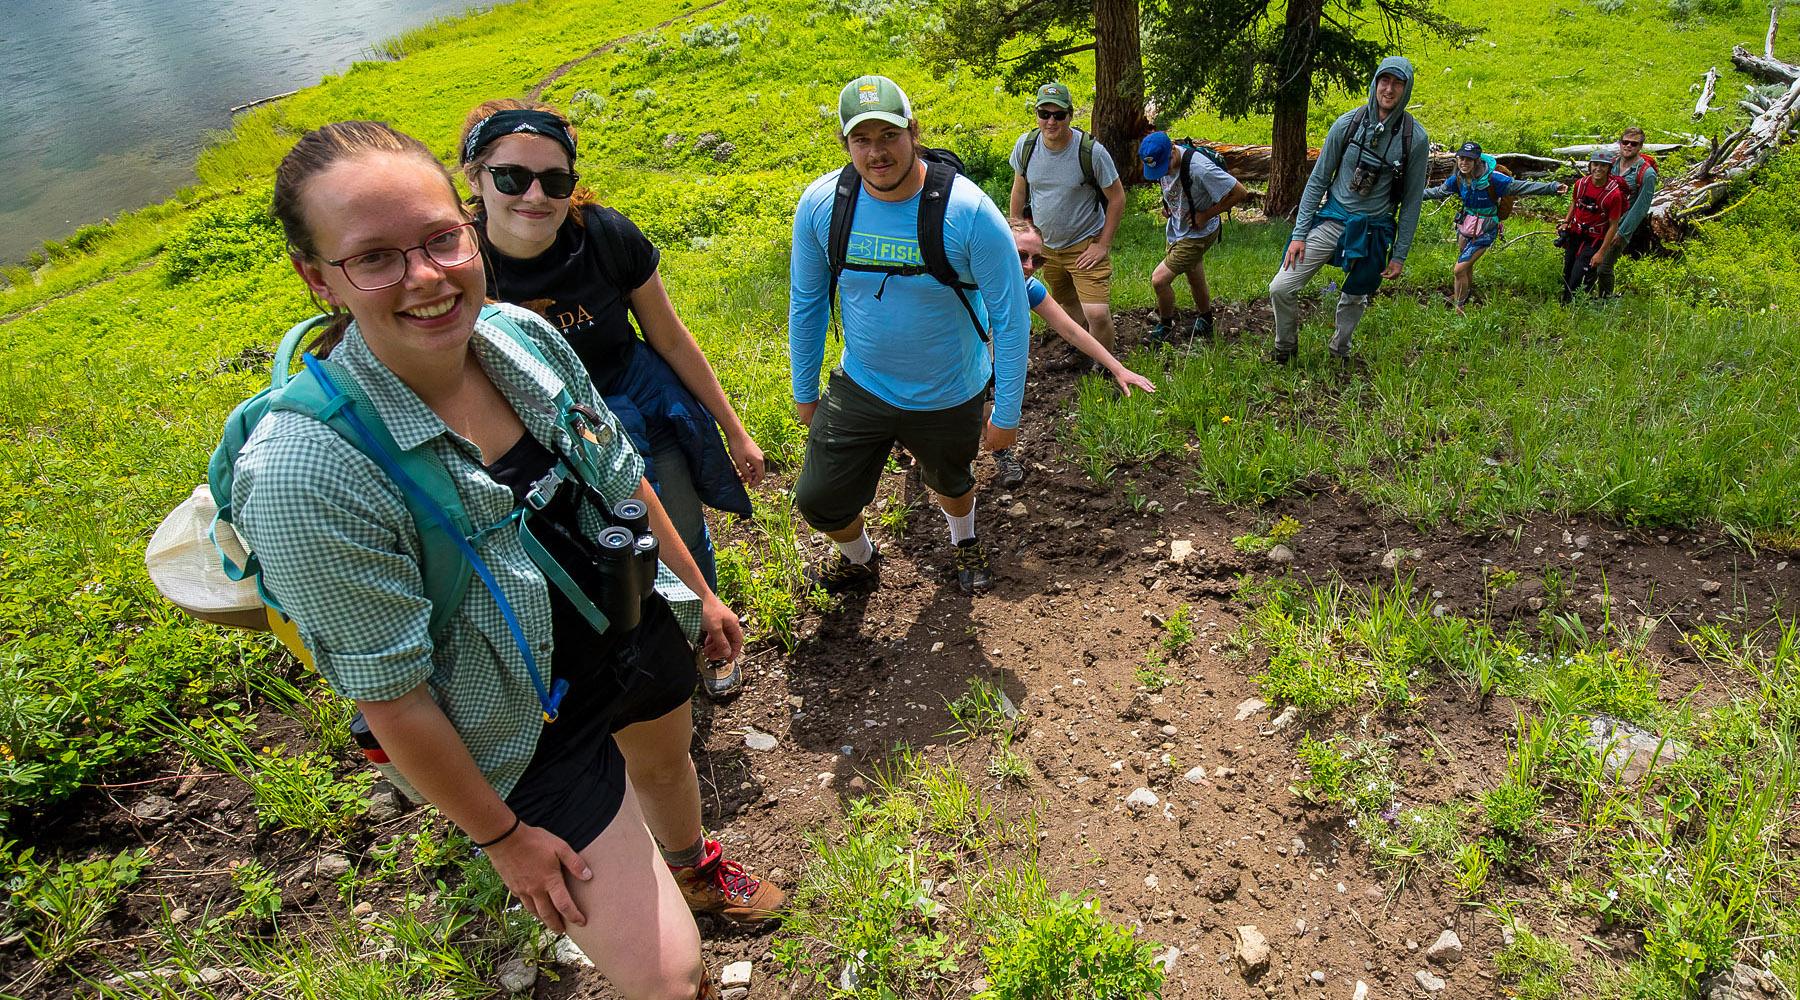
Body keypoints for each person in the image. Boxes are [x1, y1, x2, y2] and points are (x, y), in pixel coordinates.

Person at [238, 124, 782, 1000]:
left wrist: (695, 592)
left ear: (466, 226)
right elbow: (392, 696)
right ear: (317, 278)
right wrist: (502, 838)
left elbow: (621, 480)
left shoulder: (520, 338)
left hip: (630, 623)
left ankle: (689, 862)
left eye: (440, 240)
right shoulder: (311, 471)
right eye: (374, 258)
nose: (425, 278)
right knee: (672, 982)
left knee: (668, 762)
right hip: (519, 723)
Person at [458, 99, 763, 699]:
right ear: (475, 178)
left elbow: (669, 337)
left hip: (635, 399)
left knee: (678, 528)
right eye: (512, 177)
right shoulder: (463, 266)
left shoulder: (603, 235)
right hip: (538, 430)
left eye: (554, 180)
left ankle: (702, 635)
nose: (534, 196)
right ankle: (622, 665)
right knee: (586, 560)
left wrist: (734, 428)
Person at [789, 75, 1031, 595]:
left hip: (950, 389)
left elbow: (1011, 316)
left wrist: (1006, 413)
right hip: (863, 383)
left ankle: (964, 538)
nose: (877, 153)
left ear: (913, 132)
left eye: (889, 136)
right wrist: (804, 388)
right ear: (845, 143)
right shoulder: (821, 206)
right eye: (862, 139)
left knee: (951, 483)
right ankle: (861, 556)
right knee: (817, 500)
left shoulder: (969, 212)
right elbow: (807, 302)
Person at [1269, 57, 1429, 367]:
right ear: (1375, 83)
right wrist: (1299, 234)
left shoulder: (1415, 139)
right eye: (1385, 80)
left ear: (1406, 89)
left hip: (1373, 229)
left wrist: (1399, 255)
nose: (1389, 88)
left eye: (1398, 83)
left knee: (1356, 295)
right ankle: (1284, 348)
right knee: (1281, 287)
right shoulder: (1347, 124)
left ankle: (1339, 350)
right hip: (1333, 219)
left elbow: (1411, 202)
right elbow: (1317, 180)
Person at [990, 218, 1156, 488]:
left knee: (990, 411)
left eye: (1038, 260)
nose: (1029, 267)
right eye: (1021, 255)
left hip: (992, 359)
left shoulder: (1028, 288)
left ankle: (1000, 452)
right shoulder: (970, 280)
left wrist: (1117, 368)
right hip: (954, 357)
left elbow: (1072, 332)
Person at [1008, 82, 1127, 353]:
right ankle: (1084, 349)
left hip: (1084, 244)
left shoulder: (1091, 152)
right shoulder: (1026, 147)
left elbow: (1117, 197)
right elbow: (1019, 188)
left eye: (1058, 115)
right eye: (1044, 114)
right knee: (1066, 302)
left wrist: (1103, 244)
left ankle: (1105, 369)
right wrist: (1015, 234)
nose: (1051, 122)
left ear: (1070, 115)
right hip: (1046, 248)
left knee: (1097, 313)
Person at [1422, 141, 1567, 313]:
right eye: (1461, 158)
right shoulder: (1458, 179)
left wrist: (1551, 187)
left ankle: (1458, 307)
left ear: (1477, 161)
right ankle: (1466, 294)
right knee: (1466, 265)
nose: (1464, 163)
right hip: (1466, 225)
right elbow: (1438, 192)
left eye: (1469, 159)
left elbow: (1521, 186)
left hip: (1485, 229)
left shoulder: (1494, 179)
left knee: (1459, 269)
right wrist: (1411, 196)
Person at [1137, 131, 1251, 342]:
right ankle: (1206, 319)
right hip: (1179, 227)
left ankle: (1165, 325)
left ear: (1172, 149)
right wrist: (1171, 207)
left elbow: (1240, 192)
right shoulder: (1164, 160)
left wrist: (1206, 215)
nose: (1165, 171)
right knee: (1194, 275)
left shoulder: (1200, 168)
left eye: (1165, 165)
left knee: (1159, 280)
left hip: (1199, 233)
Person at [1596, 126, 1658, 297]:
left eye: (1634, 143)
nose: (1628, 146)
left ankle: (1605, 300)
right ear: (1620, 143)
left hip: (1621, 226)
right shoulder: (1612, 164)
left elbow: (1641, 207)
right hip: (1600, 221)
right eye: (1625, 142)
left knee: (1604, 267)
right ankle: (1585, 296)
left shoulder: (1647, 174)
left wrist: (1622, 233)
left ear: (1640, 147)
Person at [1558, 150, 1625, 303]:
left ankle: (1572, 307)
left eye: (1603, 166)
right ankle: (1565, 303)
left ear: (1609, 168)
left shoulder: (1614, 195)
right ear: (1590, 166)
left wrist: (1601, 253)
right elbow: (1575, 203)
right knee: (1567, 270)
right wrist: (1566, 222)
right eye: (1595, 164)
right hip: (1575, 234)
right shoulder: (1580, 184)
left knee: (1577, 275)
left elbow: (1613, 225)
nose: (1598, 169)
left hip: (1594, 240)